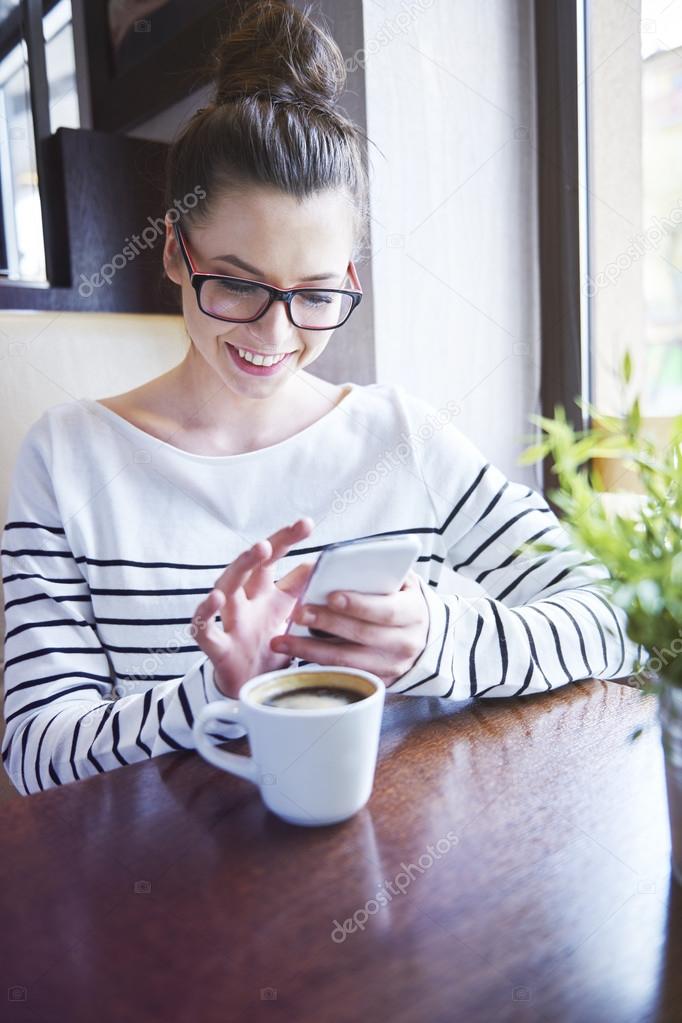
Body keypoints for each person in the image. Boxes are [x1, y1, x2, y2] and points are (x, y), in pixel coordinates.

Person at [1, 0, 642, 797]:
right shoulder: (66, 458)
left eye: (313, 294)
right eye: (237, 284)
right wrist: (220, 693)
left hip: (399, 881)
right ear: (173, 248)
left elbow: (621, 620)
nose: (274, 332)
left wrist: (432, 639)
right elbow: (34, 750)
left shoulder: (400, 434)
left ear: (350, 282)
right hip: (169, 905)